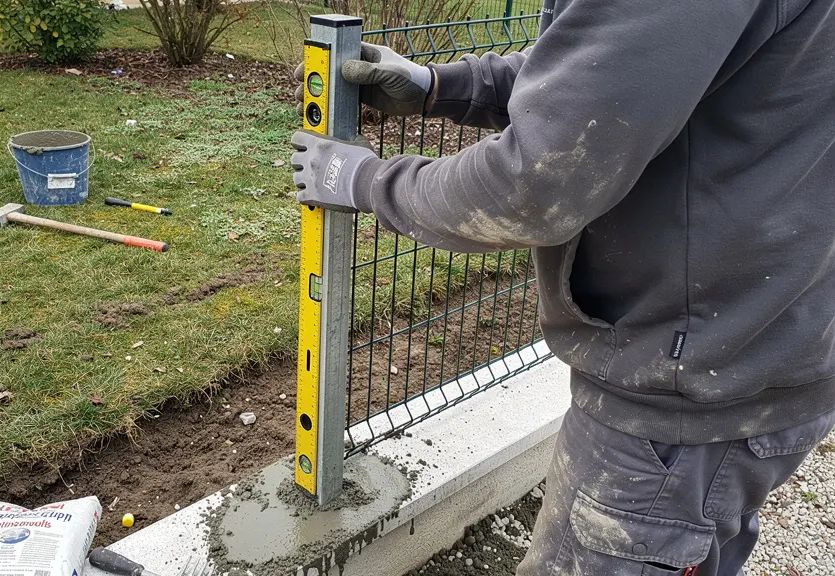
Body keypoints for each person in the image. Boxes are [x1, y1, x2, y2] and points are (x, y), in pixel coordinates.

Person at [290, 1, 835, 574]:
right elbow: (606, 76)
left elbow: (533, 185)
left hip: (681, 398)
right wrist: (439, 87)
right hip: (760, 342)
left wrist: (367, 180)